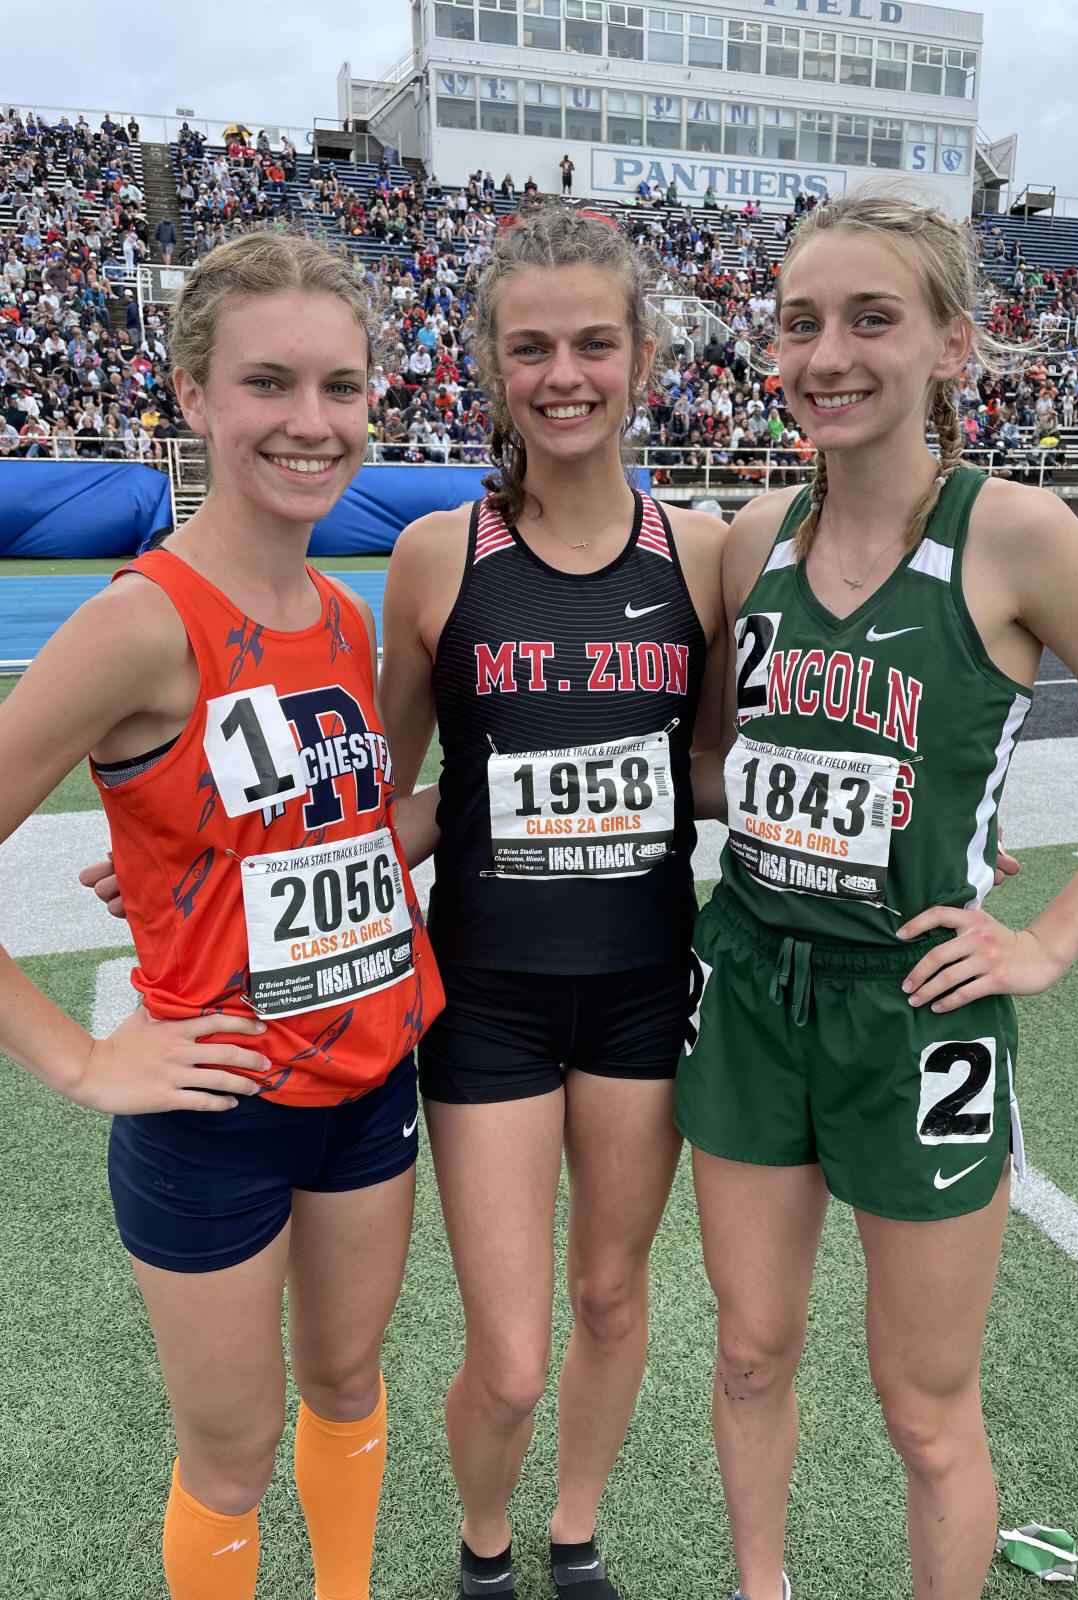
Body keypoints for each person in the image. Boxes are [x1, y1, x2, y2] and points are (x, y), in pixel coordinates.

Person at [673, 191, 1078, 1600]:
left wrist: (1049, 941)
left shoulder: (1018, 534)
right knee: (749, 1351)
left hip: (916, 1011)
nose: (828, 353)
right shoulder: (751, 538)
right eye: (799, 323)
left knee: (922, 1407)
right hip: (749, 988)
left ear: (952, 345)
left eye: (872, 318)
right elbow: (725, 765)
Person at [9, 231, 444, 1600]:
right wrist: (83, 1061)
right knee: (233, 1454)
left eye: (341, 387)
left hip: (372, 1082)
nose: (313, 422)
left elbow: (344, 831)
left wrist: (182, 860)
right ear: (193, 394)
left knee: (348, 1385)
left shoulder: (339, 612)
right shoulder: (142, 621)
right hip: (217, 1114)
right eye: (269, 382)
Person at [379, 198, 728, 1600]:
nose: (564, 375)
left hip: (644, 988)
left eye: (594, 343)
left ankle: (573, 1537)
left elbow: (711, 772)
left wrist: (915, 825)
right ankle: (485, 1550)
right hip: (487, 1001)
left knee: (611, 1295)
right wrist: (222, 860)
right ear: (489, 364)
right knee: (512, 1355)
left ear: (643, 356)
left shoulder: (701, 551)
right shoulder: (435, 557)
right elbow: (392, 795)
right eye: (531, 348)